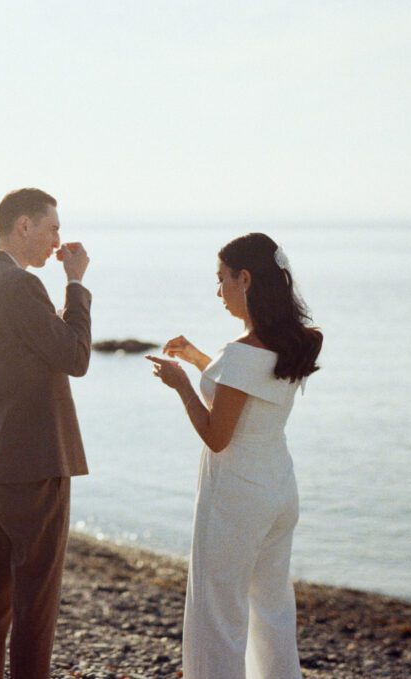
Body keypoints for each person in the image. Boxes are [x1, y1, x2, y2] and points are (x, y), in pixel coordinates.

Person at [146, 232, 322, 679]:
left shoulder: (242, 353)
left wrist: (182, 385)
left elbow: (218, 434)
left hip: (236, 495)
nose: (218, 291)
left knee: (217, 612)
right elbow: (244, 389)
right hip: (278, 488)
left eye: (222, 279)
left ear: (245, 279)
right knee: (272, 608)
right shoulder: (294, 341)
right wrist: (196, 358)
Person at [0, 188, 92, 679]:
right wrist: (75, 285)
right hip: (32, 463)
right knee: (36, 599)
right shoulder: (21, 286)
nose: (58, 239)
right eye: (52, 227)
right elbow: (75, 357)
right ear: (23, 226)